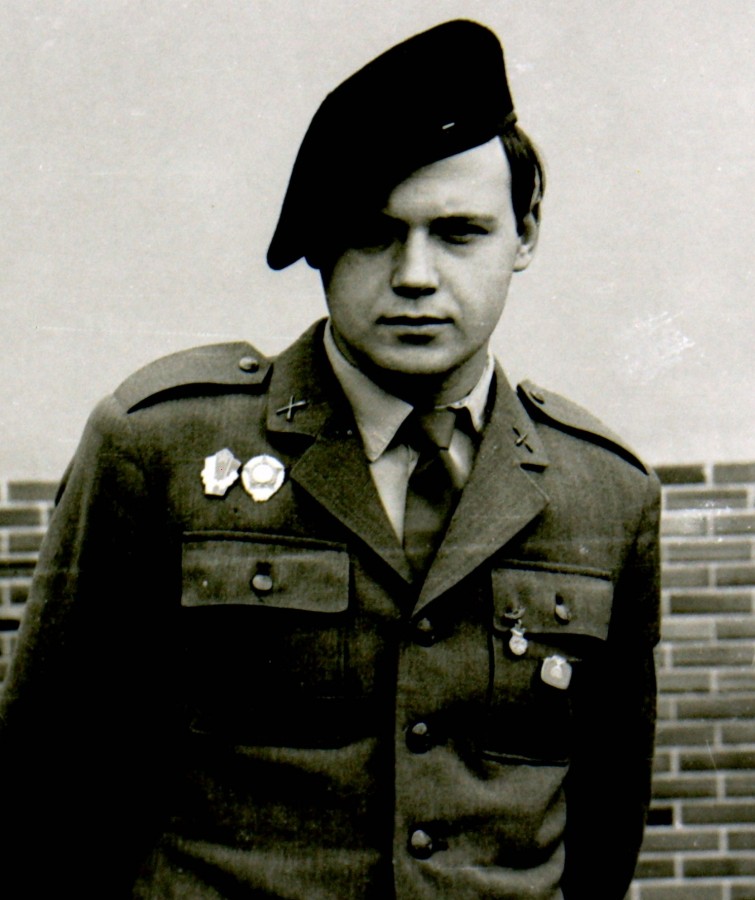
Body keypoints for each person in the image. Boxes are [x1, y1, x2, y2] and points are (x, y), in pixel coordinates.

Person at [0, 19, 660, 899]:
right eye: (373, 234)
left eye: (459, 232)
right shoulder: (160, 446)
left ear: (526, 233)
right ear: (318, 243)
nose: (415, 275)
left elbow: (603, 829)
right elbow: (43, 792)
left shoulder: (604, 494)